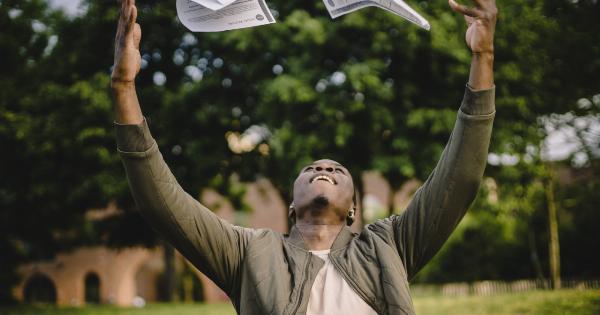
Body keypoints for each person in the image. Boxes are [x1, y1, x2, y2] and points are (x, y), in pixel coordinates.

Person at [111, 0, 497, 314]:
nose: (324, 167)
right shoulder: (250, 253)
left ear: (353, 211)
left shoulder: (389, 245)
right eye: (311, 168)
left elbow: (458, 180)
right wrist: (123, 85)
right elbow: (162, 202)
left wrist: (483, 57)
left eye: (336, 170)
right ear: (292, 207)